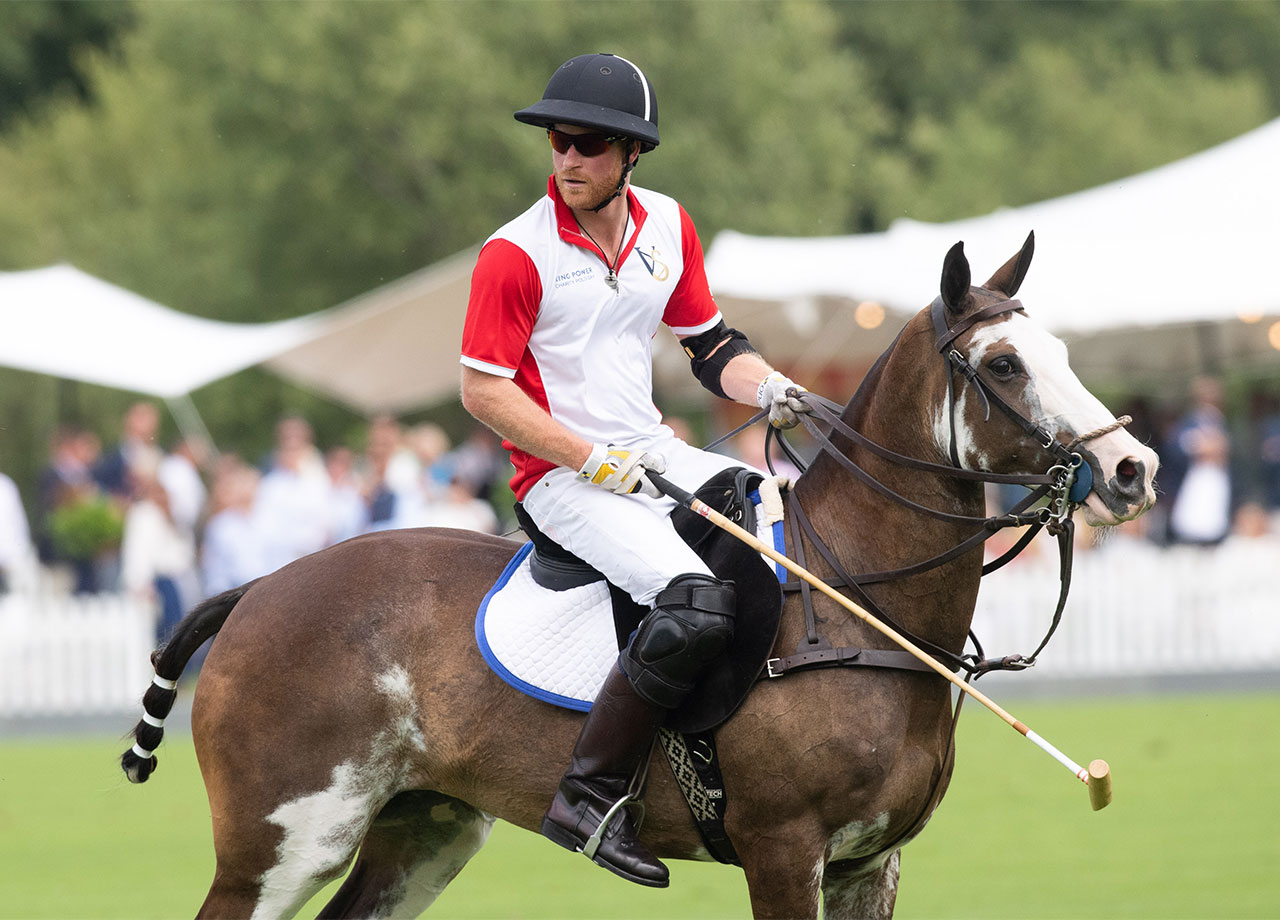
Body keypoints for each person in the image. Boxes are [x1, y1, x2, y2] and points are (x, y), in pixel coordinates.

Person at [459, 52, 810, 888]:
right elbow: (481, 391)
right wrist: (588, 459)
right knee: (692, 603)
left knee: (778, 522)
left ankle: (754, 746)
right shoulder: (514, 254)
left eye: (587, 144)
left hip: (650, 451)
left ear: (631, 155)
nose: (567, 159)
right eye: (557, 141)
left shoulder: (667, 225)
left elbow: (711, 346)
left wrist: (775, 386)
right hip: (560, 477)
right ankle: (589, 795)